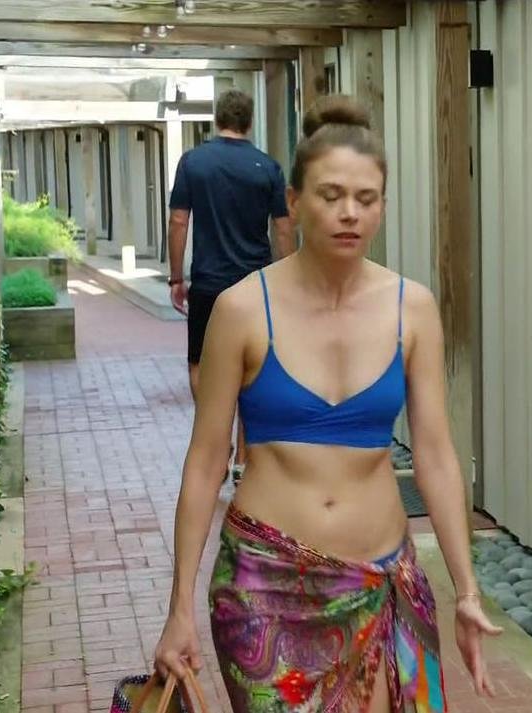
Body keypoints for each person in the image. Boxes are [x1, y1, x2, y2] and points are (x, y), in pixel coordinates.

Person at [152, 95, 502, 712]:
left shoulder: (413, 309)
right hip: (266, 592)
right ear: (292, 202)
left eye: (366, 199)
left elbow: (436, 456)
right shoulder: (241, 309)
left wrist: (467, 591)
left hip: (386, 583)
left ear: (383, 206)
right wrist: (178, 608)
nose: (349, 213)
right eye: (330, 195)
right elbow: (205, 464)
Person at [167, 88, 295, 483]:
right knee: (252, 369)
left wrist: (177, 276)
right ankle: (242, 458)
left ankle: (216, 438)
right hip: (255, 284)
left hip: (209, 283)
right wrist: (288, 279)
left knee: (200, 364)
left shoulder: (193, 162)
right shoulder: (268, 168)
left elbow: (178, 221)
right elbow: (284, 228)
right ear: (249, 122)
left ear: (216, 118)